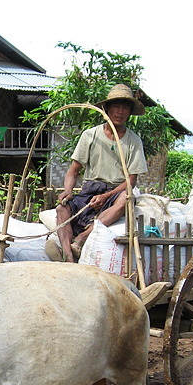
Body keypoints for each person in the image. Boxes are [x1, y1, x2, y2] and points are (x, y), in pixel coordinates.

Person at [51, 84, 147, 263]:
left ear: (130, 112)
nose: (120, 112)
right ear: (107, 109)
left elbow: (131, 180)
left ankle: (81, 239)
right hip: (90, 189)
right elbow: (73, 170)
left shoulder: (133, 141)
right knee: (62, 208)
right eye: (116, 106)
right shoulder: (90, 135)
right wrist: (67, 190)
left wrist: (106, 195)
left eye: (125, 107)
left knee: (126, 198)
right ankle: (69, 255)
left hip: (116, 191)